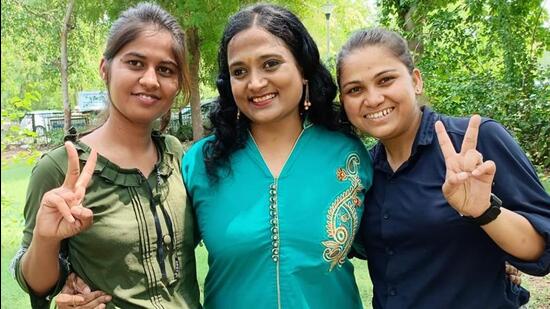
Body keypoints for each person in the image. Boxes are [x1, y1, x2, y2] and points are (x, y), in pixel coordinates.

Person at [336, 28, 550, 308]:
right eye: (355, 89)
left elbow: (540, 248)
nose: (373, 99)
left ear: (415, 81)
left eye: (385, 80)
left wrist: (485, 212)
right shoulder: (361, 170)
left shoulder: (475, 142)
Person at [181, 4, 373, 308]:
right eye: (239, 71)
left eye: (270, 64)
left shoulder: (349, 156)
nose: (255, 83)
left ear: (303, 69)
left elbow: (401, 244)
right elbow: (155, 259)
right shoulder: (200, 163)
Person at [10, 3, 200, 308]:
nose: (151, 80)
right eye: (136, 63)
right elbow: (36, 283)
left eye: (165, 69)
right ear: (105, 68)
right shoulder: (60, 167)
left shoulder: (174, 154)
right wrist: (46, 240)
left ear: (176, 83)